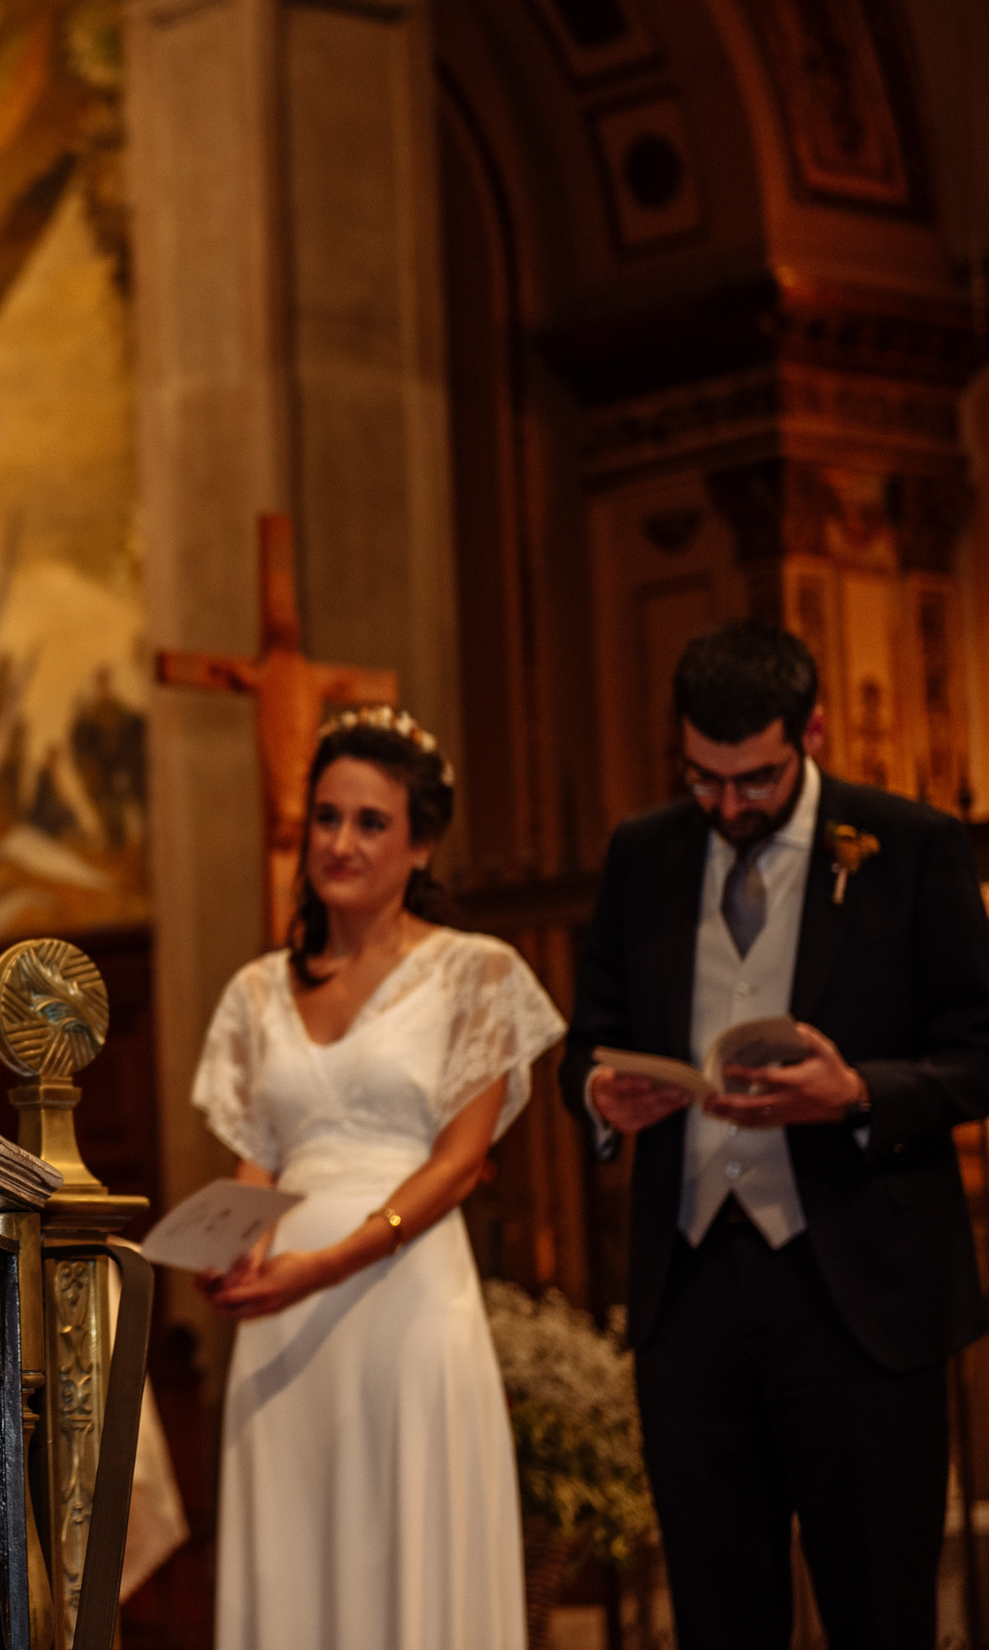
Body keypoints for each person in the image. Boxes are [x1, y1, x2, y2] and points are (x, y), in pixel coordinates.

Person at [562, 620, 989, 1649]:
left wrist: (856, 1093)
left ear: (813, 730)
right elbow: (591, 1037)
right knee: (715, 1611)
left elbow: (978, 1050)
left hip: (861, 1285)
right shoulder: (644, 849)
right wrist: (599, 1096)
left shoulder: (909, 845)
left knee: (878, 1609)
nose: (725, 805)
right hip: (692, 1287)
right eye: (703, 779)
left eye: (752, 779)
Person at [190, 707, 562, 1650]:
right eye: (325, 817)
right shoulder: (255, 990)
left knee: (409, 1543)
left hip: (405, 1299)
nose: (340, 842)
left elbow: (462, 1160)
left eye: (370, 822)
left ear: (422, 843)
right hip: (279, 1321)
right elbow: (258, 1156)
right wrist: (238, 1251)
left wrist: (333, 1261)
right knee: (295, 1554)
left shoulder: (477, 973)